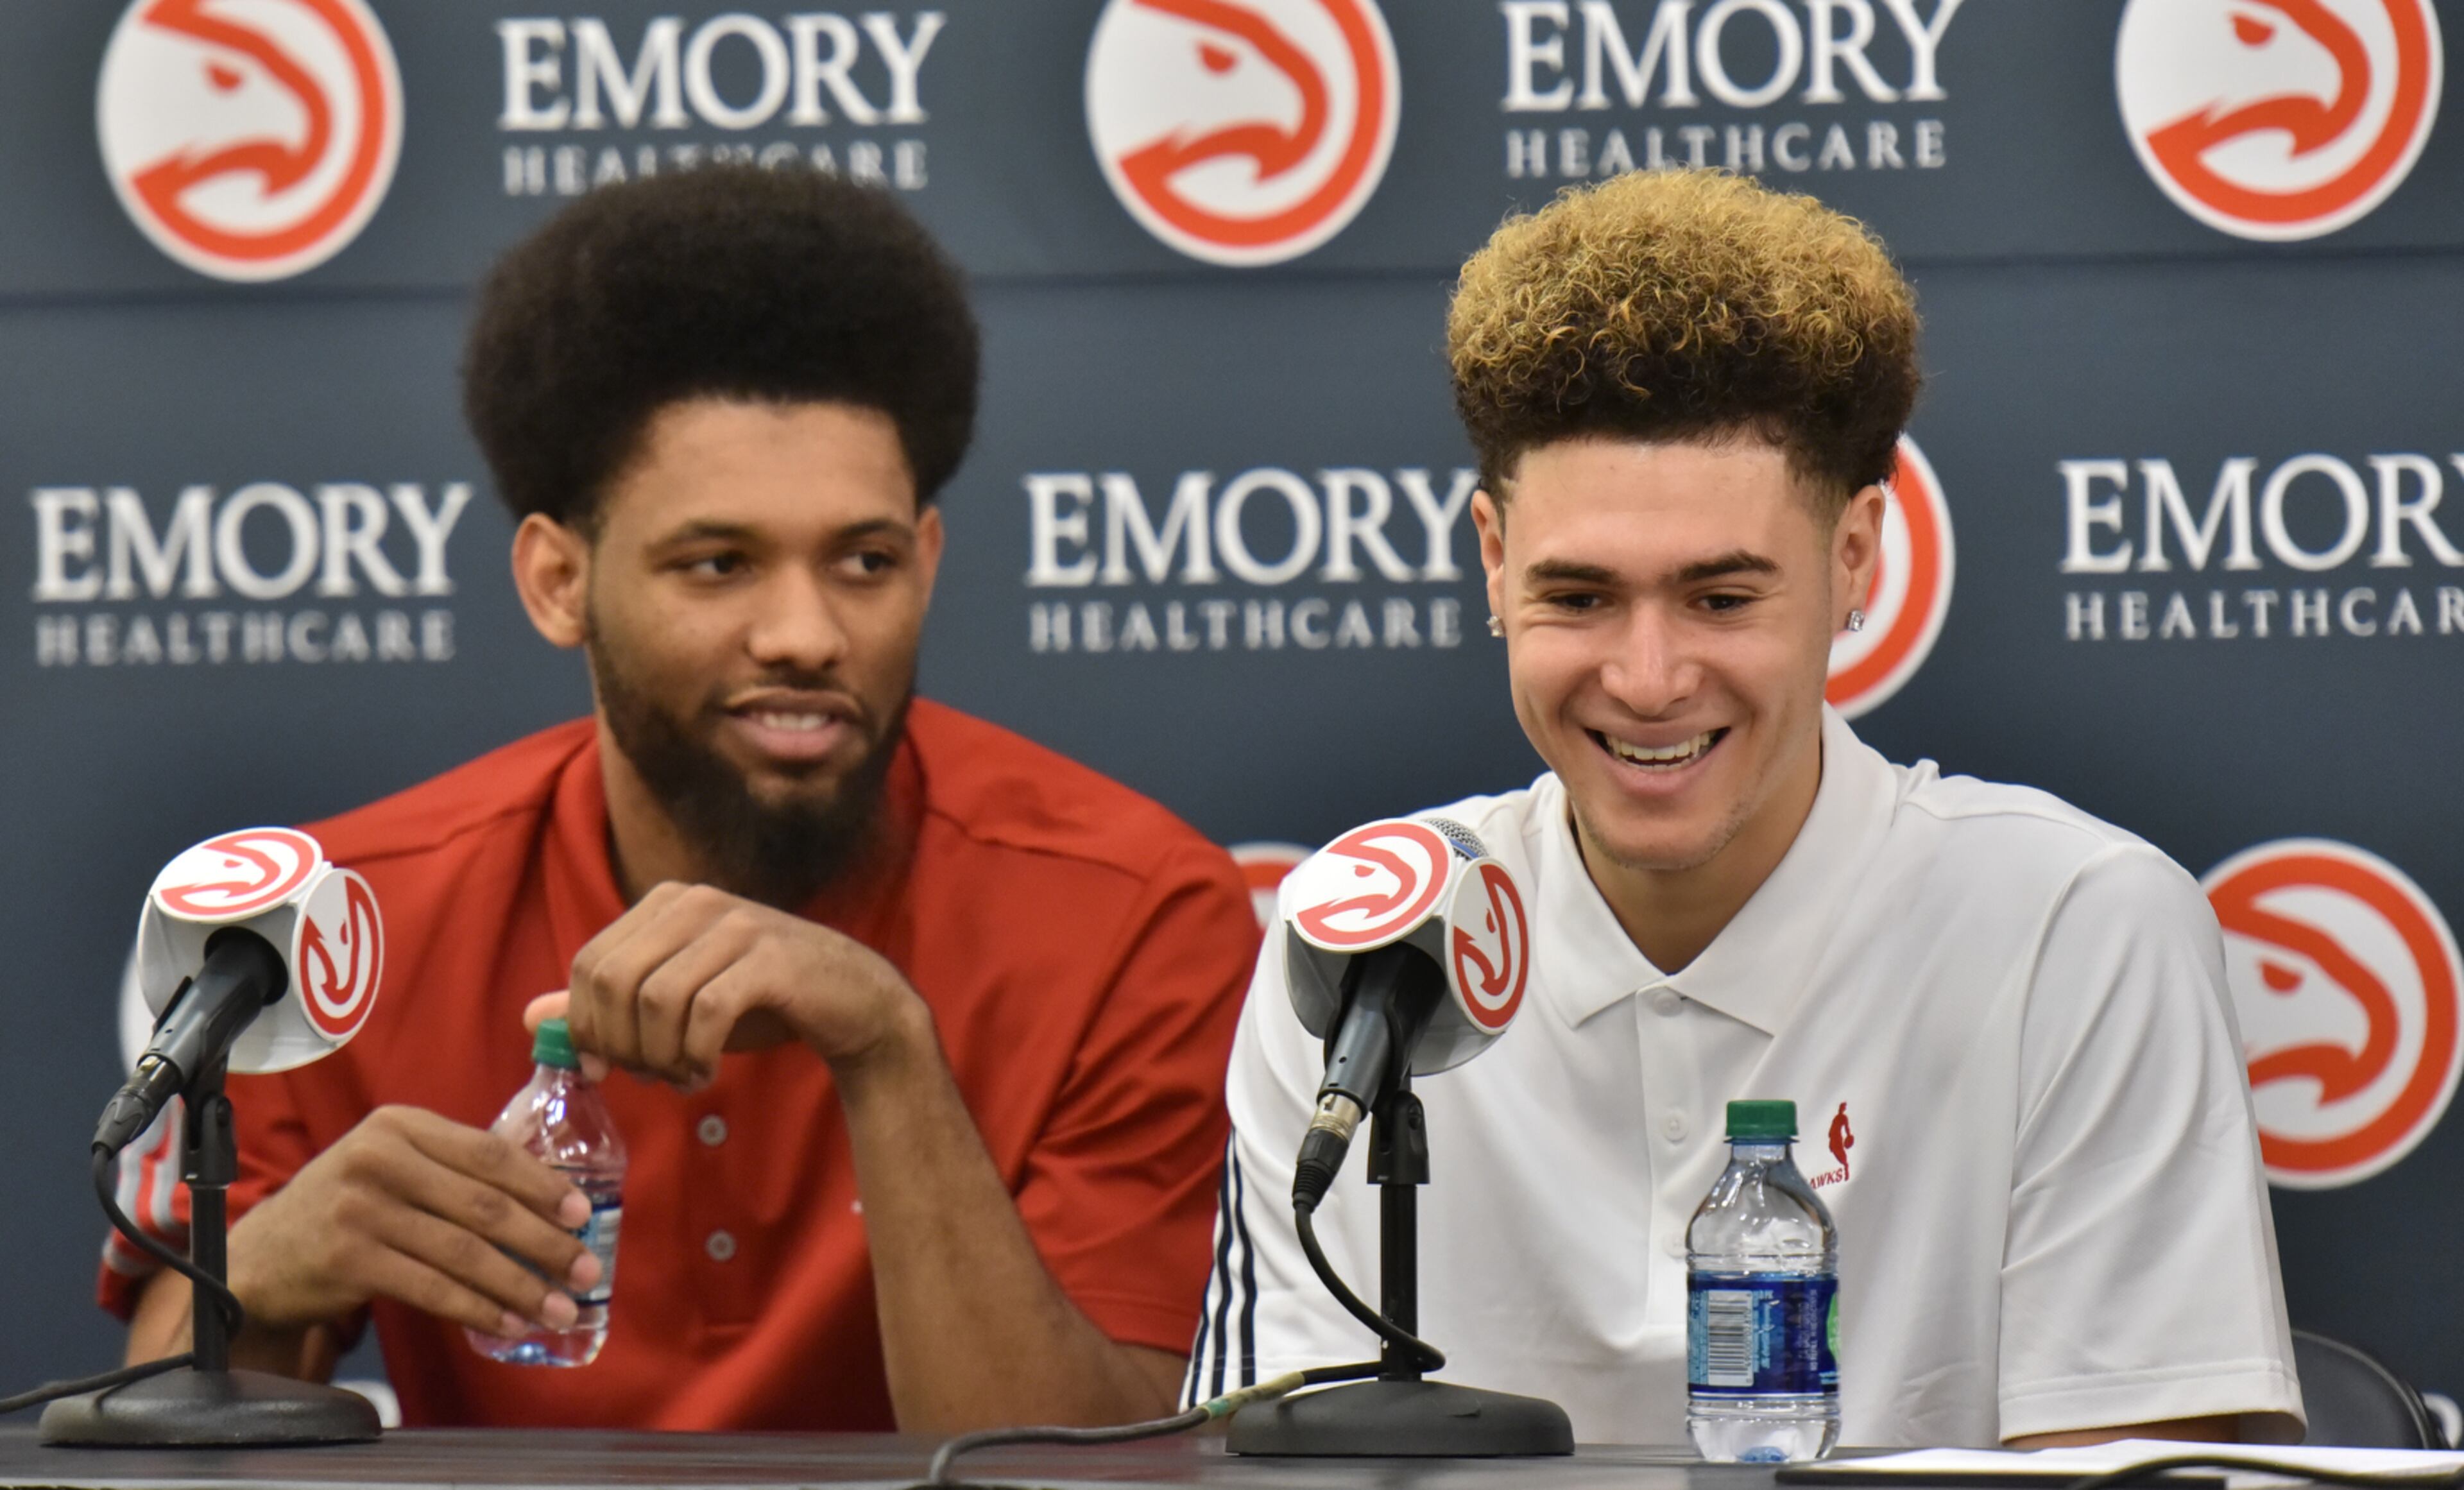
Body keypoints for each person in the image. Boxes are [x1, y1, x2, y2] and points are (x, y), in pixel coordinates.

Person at [104, 167, 1259, 1434]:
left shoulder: (1136, 915)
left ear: (926, 564)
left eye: (863, 562)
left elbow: (1097, 1468)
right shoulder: (342, 927)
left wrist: (886, 1047)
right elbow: (148, 1437)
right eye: (719, 564)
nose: (807, 633)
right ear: (558, 582)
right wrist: (262, 1273)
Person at [1188, 169, 2303, 1448]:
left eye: (1722, 600)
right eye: (1580, 597)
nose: (1650, 679)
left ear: (1854, 562)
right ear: (1492, 561)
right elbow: (1277, 1465)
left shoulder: (2077, 930)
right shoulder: (1365, 940)